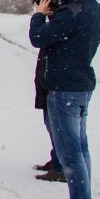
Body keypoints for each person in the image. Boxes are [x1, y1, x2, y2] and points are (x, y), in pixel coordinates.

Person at [29, 0, 100, 199]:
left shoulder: (72, 12)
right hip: (82, 86)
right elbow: (68, 38)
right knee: (81, 149)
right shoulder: (96, 10)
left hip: (64, 89)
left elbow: (38, 38)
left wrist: (39, 14)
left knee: (70, 153)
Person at [32, 48, 66, 182]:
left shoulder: (59, 30)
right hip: (48, 80)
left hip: (55, 82)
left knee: (56, 128)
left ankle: (60, 168)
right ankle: (57, 160)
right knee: (50, 125)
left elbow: (38, 37)